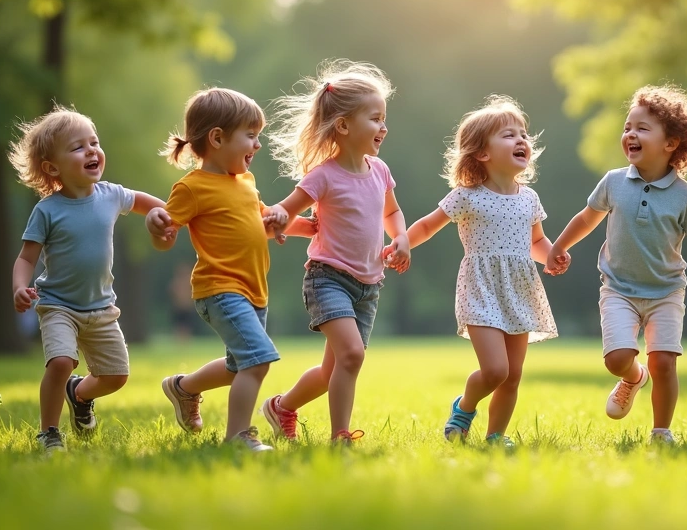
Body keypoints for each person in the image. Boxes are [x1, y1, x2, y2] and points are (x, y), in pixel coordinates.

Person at [546, 85, 687, 445]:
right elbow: (587, 218)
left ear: (671, 143)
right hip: (618, 289)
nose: (630, 134)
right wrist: (558, 245)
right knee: (617, 359)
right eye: (627, 127)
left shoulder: (686, 196)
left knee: (664, 362)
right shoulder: (613, 182)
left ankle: (661, 431)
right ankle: (633, 377)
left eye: (642, 128)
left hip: (666, 292)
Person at [147, 87, 314, 452]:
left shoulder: (246, 183)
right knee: (258, 361)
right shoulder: (191, 188)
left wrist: (300, 225)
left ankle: (183, 387)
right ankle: (239, 436)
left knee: (238, 366)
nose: (258, 145)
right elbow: (165, 237)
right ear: (218, 138)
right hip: (220, 289)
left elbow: (261, 222)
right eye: (250, 136)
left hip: (254, 290)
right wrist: (157, 228)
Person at [259, 60, 410, 444]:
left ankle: (281, 407)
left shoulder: (380, 171)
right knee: (352, 356)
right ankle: (340, 434)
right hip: (327, 279)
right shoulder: (323, 176)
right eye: (375, 119)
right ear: (343, 125)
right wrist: (280, 219)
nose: (383, 127)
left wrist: (401, 237)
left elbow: (391, 212)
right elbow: (284, 211)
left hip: (368, 285)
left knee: (334, 370)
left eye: (384, 119)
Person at [8, 107, 166, 453]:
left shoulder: (111, 195)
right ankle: (49, 432)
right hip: (58, 306)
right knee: (61, 362)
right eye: (78, 147)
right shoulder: (47, 210)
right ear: (53, 168)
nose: (92, 151)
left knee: (116, 376)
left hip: (101, 308)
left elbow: (152, 205)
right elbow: (26, 258)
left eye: (94, 143)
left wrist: (163, 216)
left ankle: (79, 394)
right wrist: (20, 287)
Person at [403, 96, 558, 448]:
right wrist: (401, 244)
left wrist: (551, 256)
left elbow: (536, 241)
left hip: (519, 289)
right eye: (508, 135)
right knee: (495, 370)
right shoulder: (467, 196)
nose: (521, 140)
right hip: (481, 288)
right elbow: (427, 225)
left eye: (523, 134)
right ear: (483, 153)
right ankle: (464, 407)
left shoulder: (529, 198)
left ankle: (495, 436)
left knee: (512, 375)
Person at [169, 261, 197, 342]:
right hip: (179, 307)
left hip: (187, 307)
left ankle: (185, 340)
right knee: (179, 324)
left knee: (187, 324)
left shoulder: (190, 282)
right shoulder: (177, 282)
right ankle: (179, 340)